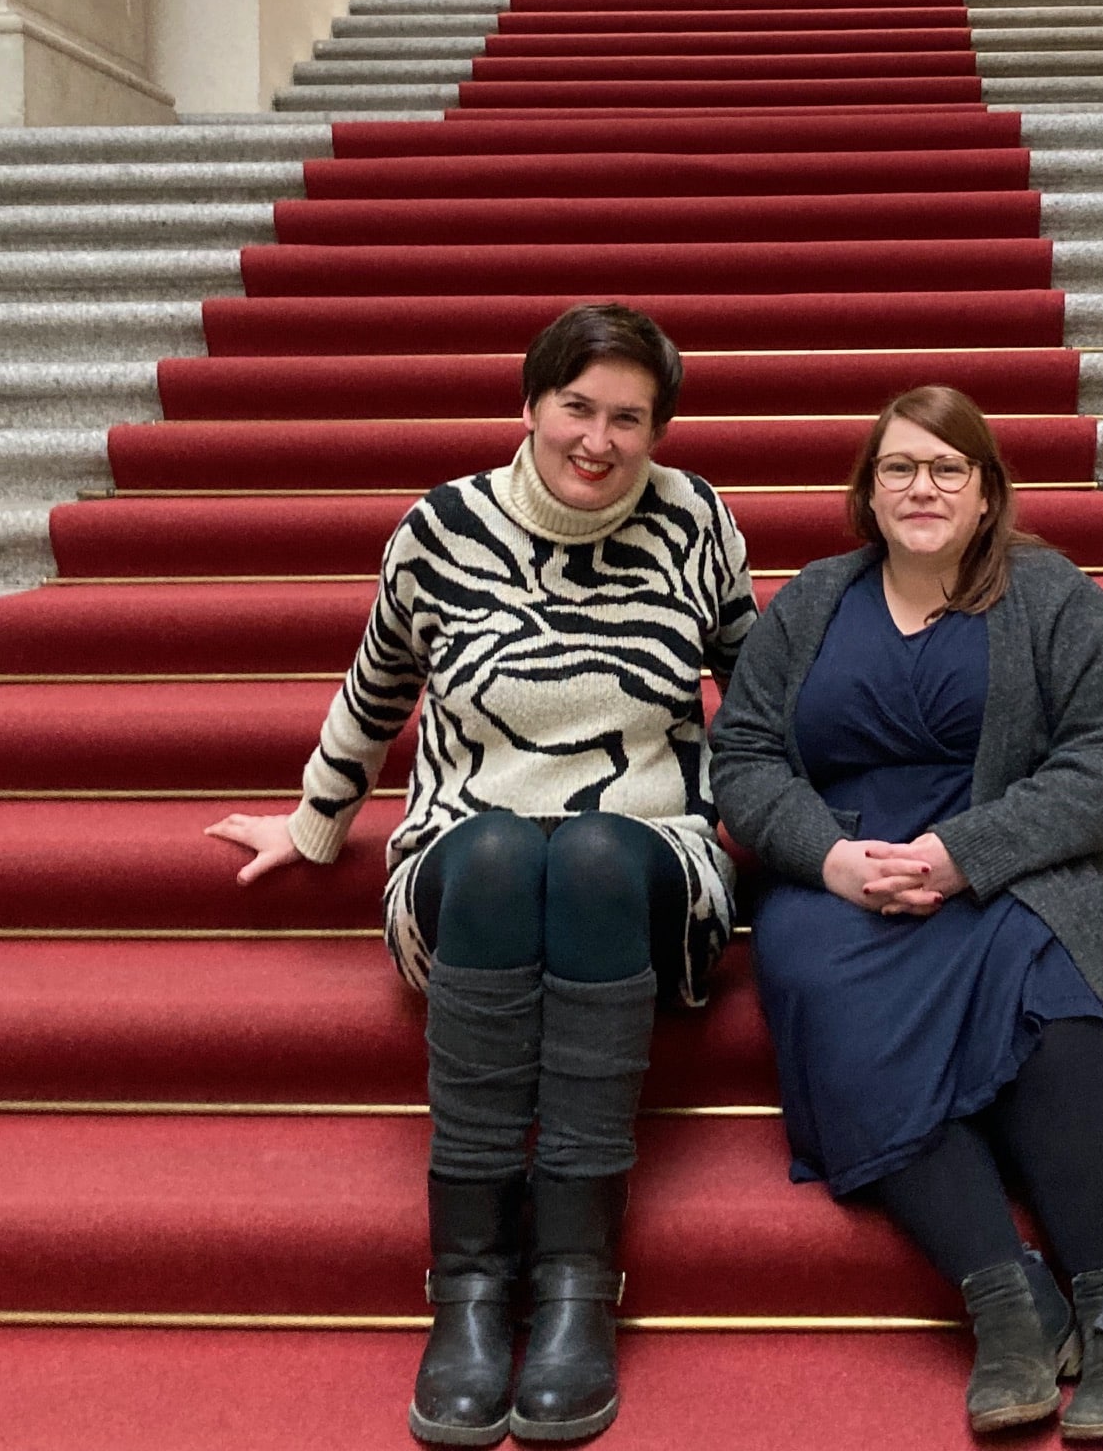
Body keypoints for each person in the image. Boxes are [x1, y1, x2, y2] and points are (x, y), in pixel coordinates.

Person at [208, 303, 756, 1448]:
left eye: (629, 419)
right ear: (531, 405)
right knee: (508, 849)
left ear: (657, 431)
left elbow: (759, 698)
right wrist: (314, 823)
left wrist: (828, 832)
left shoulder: (697, 519)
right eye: (577, 408)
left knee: (598, 850)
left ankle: (572, 1284)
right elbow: (376, 687)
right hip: (468, 855)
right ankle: (465, 1291)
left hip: (651, 862)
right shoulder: (442, 529)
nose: (599, 441)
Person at [708, 385, 1103, 1442]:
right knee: (809, 975)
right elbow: (744, 757)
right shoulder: (809, 603)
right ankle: (1006, 1298)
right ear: (868, 489)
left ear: (987, 494)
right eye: (900, 467)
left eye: (949, 469)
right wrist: (831, 859)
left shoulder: (1051, 596)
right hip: (843, 876)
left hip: (1017, 869)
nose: (922, 488)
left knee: (1050, 965)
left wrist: (960, 854)